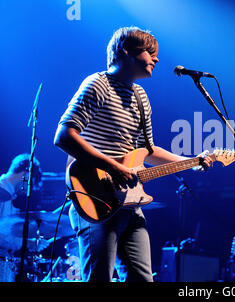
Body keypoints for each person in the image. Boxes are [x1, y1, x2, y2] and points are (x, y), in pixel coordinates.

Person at [53, 26, 213, 282]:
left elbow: (147, 150)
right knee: (99, 279)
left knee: (142, 279)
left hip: (128, 204)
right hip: (94, 198)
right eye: (150, 52)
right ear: (126, 51)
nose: (157, 59)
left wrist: (191, 162)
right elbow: (64, 136)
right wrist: (115, 168)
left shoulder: (140, 96)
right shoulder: (98, 84)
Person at [0, 154, 49, 255]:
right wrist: (27, 243)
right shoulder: (1, 192)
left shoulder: (10, 195)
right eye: (30, 184)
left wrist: (28, 242)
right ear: (26, 174)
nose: (28, 190)